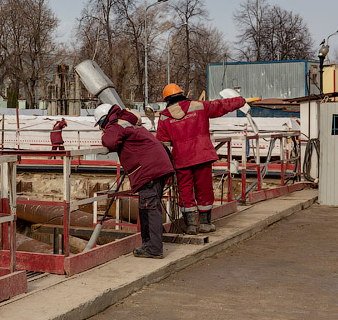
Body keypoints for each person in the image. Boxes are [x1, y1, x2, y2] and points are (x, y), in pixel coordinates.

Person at [154, 84, 256, 235]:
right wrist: (241, 101)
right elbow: (222, 105)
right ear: (182, 95)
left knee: (185, 190)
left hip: (181, 159)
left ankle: (191, 226)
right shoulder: (199, 106)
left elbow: (162, 143)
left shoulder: (164, 117)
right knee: (204, 189)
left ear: (166, 100)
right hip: (202, 155)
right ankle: (205, 224)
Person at [96, 103, 174, 259]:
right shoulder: (126, 120)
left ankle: (154, 248)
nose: (99, 128)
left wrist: (105, 133)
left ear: (104, 120)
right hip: (157, 165)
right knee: (149, 206)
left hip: (149, 170)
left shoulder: (115, 124)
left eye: (99, 124)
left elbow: (110, 141)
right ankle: (149, 243)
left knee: (149, 208)